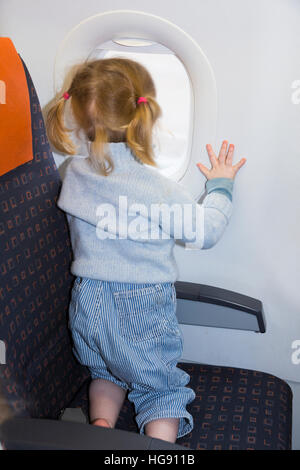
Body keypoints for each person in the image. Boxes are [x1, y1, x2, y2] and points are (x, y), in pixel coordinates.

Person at [46, 57, 246, 443]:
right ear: (145, 114)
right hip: (139, 305)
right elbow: (205, 232)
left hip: (88, 303)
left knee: (106, 371)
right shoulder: (157, 187)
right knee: (160, 389)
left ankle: (101, 427)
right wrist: (220, 187)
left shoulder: (72, 172)